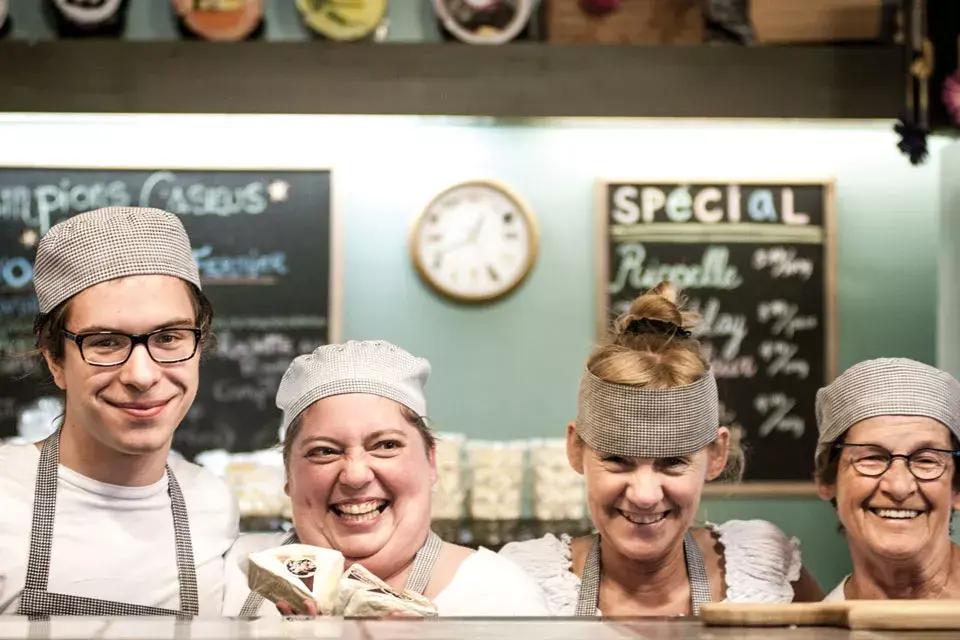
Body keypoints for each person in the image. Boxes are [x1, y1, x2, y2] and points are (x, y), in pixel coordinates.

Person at [499, 282, 823, 616]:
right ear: (575, 449)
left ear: (716, 455)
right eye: (617, 460)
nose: (644, 494)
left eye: (672, 462)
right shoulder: (523, 583)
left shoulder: (764, 573)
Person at [0, 207, 239, 616]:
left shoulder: (212, 503)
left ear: (199, 344)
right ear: (55, 360)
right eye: (106, 342)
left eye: (168, 337)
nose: (142, 375)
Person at [222, 340, 551, 617]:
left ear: (431, 461)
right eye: (324, 451)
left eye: (386, 446)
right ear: (288, 475)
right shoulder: (227, 582)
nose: (355, 474)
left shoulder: (498, 597)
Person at [815, 357, 960, 601]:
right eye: (872, 457)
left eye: (925, 460)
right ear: (828, 481)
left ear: (957, 488)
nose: (899, 486)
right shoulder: (819, 631)